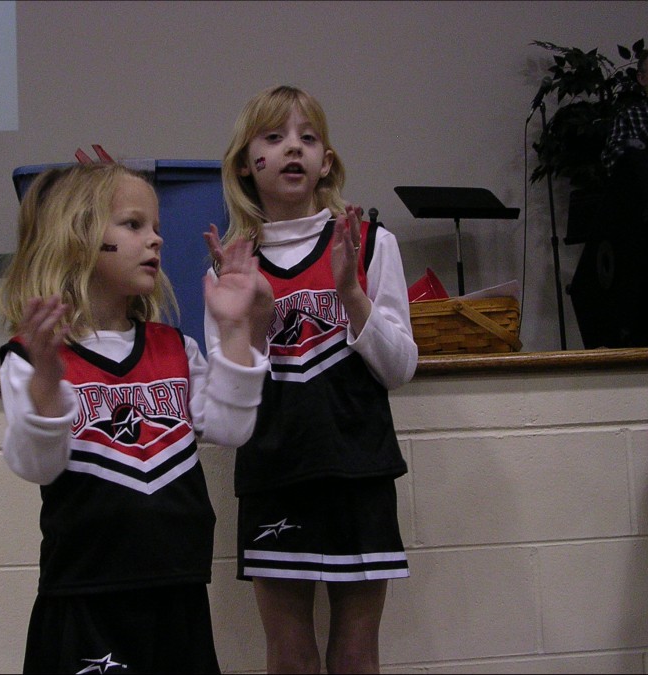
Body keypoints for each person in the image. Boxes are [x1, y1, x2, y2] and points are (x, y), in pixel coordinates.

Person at [0, 162, 270, 674]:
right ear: (77, 235)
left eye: (157, 228)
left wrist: (235, 329)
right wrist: (47, 385)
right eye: (133, 225)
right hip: (84, 594)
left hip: (178, 587)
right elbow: (37, 464)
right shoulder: (32, 356)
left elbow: (232, 429)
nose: (155, 241)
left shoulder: (174, 347)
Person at [204, 85, 419, 674]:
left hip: (360, 466)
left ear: (327, 161)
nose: (292, 148)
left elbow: (400, 369)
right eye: (273, 137)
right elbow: (226, 404)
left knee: (356, 652)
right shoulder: (231, 265)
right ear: (248, 164)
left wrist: (352, 295)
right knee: (290, 654)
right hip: (274, 471)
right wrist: (247, 326)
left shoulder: (373, 243)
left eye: (308, 137)